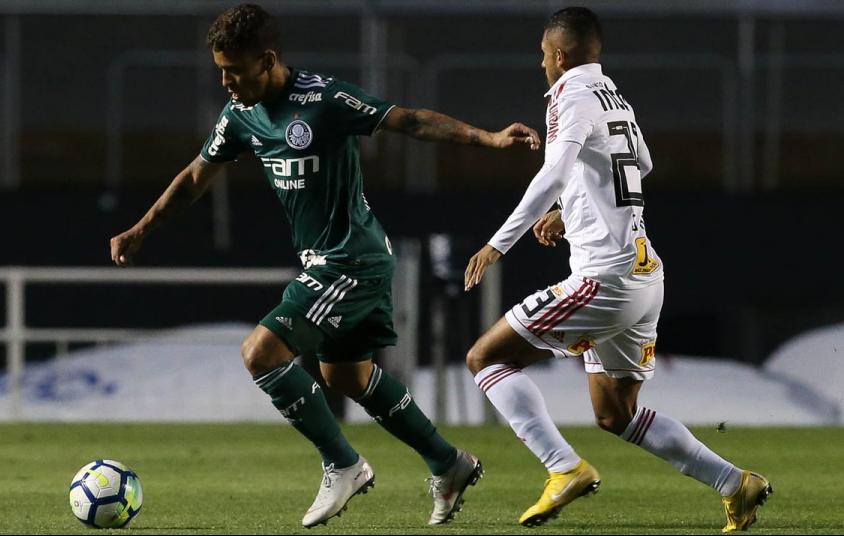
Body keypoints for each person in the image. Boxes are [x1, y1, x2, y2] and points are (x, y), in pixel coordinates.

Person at [109, 3, 542, 529]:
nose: (225, 81)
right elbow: (196, 176)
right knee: (347, 374)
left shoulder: (324, 98)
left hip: (351, 260)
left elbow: (408, 120)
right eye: (220, 70)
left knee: (260, 353)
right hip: (336, 261)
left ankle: (343, 464)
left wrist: (489, 138)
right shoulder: (240, 116)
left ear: (267, 59)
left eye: (235, 70)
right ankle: (448, 463)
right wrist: (140, 229)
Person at [463, 6, 772, 532]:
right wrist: (572, 209)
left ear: (558, 55)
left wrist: (499, 243)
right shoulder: (614, 96)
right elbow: (641, 163)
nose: (541, 66)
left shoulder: (570, 95)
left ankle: (563, 468)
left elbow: (553, 170)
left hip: (603, 280)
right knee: (615, 413)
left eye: (543, 56)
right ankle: (735, 483)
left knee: (486, 358)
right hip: (644, 274)